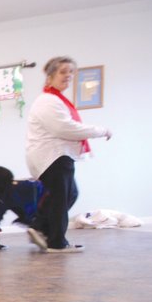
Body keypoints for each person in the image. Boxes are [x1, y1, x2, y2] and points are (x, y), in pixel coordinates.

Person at [25, 56, 111, 253]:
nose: (69, 76)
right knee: (60, 198)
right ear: (50, 75)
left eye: (71, 72)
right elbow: (65, 128)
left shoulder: (54, 99)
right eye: (63, 72)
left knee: (69, 194)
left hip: (55, 156)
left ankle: (41, 228)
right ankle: (55, 242)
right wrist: (101, 130)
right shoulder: (48, 101)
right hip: (53, 157)